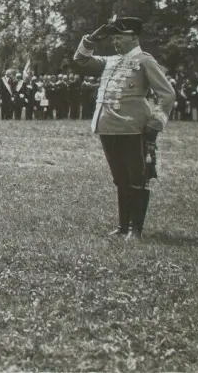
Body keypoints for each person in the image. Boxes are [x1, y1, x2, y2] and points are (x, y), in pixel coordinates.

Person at [73, 16, 175, 240]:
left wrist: (155, 123)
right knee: (120, 179)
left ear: (134, 37)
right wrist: (92, 39)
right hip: (107, 126)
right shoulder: (110, 61)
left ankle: (135, 229)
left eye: (120, 37)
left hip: (133, 127)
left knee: (137, 178)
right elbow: (80, 60)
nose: (115, 42)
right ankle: (122, 227)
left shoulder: (145, 61)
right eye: (114, 38)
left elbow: (167, 94)